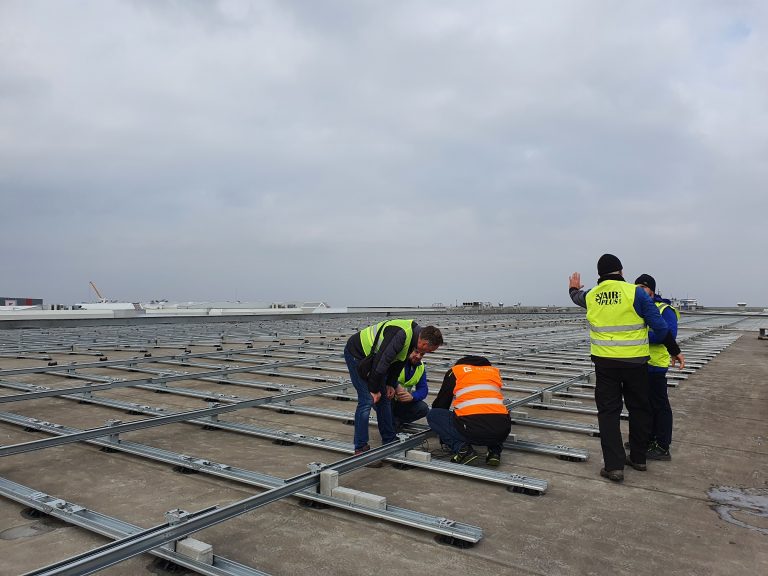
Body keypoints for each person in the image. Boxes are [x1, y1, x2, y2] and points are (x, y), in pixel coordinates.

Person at [569, 254, 684, 483]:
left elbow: (577, 297)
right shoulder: (636, 293)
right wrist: (674, 350)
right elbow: (660, 328)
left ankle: (614, 467)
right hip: (636, 363)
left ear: (600, 274)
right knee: (640, 409)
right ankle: (639, 458)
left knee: (608, 413)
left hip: (605, 364)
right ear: (621, 271)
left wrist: (572, 288)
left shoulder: (592, 295)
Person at [344, 319, 443, 456]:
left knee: (385, 397)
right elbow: (382, 362)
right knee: (366, 400)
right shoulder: (401, 334)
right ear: (424, 343)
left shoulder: (413, 338)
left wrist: (390, 384)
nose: (428, 353)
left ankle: (389, 440)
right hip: (357, 354)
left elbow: (398, 363)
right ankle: (360, 448)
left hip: (374, 360)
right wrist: (374, 390)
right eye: (429, 350)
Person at [427, 355, 511, 466]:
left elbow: (442, 403)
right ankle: (494, 452)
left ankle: (463, 450)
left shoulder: (456, 371)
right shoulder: (493, 372)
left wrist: (444, 435)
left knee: (434, 415)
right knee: (497, 412)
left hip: (472, 430)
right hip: (501, 432)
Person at [634, 274, 683, 461]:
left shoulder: (665, 309)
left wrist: (640, 336)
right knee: (644, 405)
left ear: (651, 291)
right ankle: (647, 439)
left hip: (656, 365)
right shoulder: (638, 308)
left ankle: (662, 445)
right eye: (636, 287)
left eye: (642, 288)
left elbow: (668, 334)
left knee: (659, 405)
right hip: (640, 364)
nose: (638, 291)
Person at [392, 360, 430, 431]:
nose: (418, 356)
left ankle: (396, 421)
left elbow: (423, 389)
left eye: (422, 354)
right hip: (386, 398)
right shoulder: (398, 360)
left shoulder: (420, 366)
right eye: (416, 352)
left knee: (423, 408)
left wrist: (412, 396)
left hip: (402, 401)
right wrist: (395, 386)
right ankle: (390, 422)